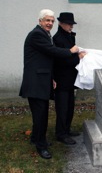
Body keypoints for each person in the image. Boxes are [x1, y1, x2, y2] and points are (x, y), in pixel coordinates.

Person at [19, 9, 79, 159]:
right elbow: (51, 51)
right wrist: (71, 51)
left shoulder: (44, 34)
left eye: (52, 21)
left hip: (41, 80)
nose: (50, 23)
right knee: (41, 116)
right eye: (47, 20)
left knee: (41, 113)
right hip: (35, 82)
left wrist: (51, 77)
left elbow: (45, 58)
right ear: (40, 21)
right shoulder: (37, 34)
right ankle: (41, 146)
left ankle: (36, 139)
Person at [53, 12, 85, 145]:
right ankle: (61, 133)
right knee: (62, 107)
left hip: (70, 78)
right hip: (61, 78)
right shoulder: (58, 38)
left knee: (70, 105)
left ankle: (66, 129)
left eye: (72, 24)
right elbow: (61, 60)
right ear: (61, 24)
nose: (71, 26)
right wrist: (78, 57)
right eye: (69, 24)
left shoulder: (68, 36)